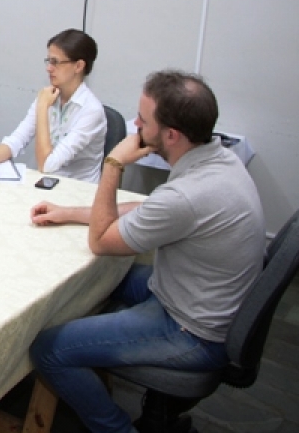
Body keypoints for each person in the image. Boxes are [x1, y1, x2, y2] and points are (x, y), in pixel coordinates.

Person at [28, 70, 265, 433]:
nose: (135, 124)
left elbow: (101, 241)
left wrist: (114, 164)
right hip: (196, 296)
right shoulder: (217, 159)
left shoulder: (188, 195)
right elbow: (148, 210)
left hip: (191, 330)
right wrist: (69, 213)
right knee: (89, 281)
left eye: (143, 119)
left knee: (49, 349)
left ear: (171, 135)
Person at [0, 29, 106, 183]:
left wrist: (43, 108)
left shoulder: (92, 111)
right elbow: (18, 139)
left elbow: (47, 164)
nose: (49, 68)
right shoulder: (48, 95)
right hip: (47, 183)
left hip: (78, 192)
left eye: (55, 62)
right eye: (49, 61)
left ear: (78, 66)